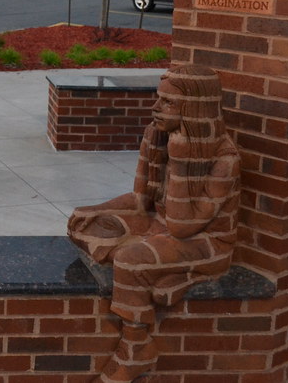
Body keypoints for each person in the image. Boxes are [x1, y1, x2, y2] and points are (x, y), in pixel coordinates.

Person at [67, 65, 240, 382]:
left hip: (207, 241)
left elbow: (182, 226)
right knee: (82, 224)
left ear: (194, 109)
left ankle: (136, 349)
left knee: (130, 259)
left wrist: (182, 160)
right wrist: (94, 210)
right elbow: (140, 199)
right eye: (159, 99)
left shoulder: (223, 159)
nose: (155, 108)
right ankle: (166, 273)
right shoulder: (156, 135)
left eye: (168, 103)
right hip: (161, 224)